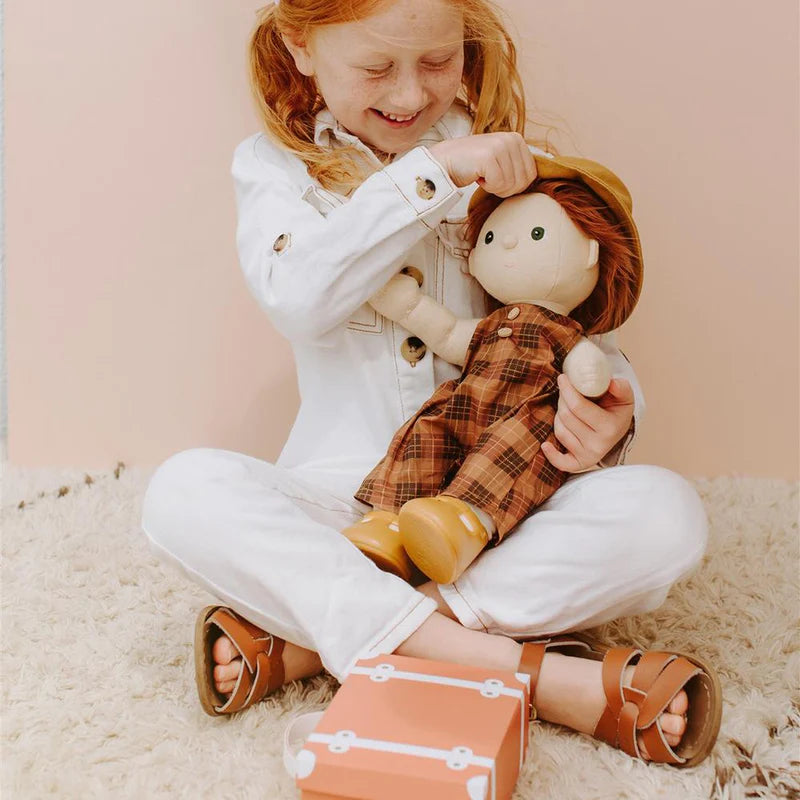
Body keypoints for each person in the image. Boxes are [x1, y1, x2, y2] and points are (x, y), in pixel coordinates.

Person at [141, 0, 720, 767]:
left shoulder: (511, 163)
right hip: (350, 511)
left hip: (496, 511)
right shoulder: (274, 169)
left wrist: (613, 412)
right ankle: (535, 676)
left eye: (439, 62)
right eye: (376, 67)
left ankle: (312, 644)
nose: (411, 94)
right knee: (181, 492)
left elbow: (586, 341)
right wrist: (432, 175)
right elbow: (299, 298)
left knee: (666, 515)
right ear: (300, 46)